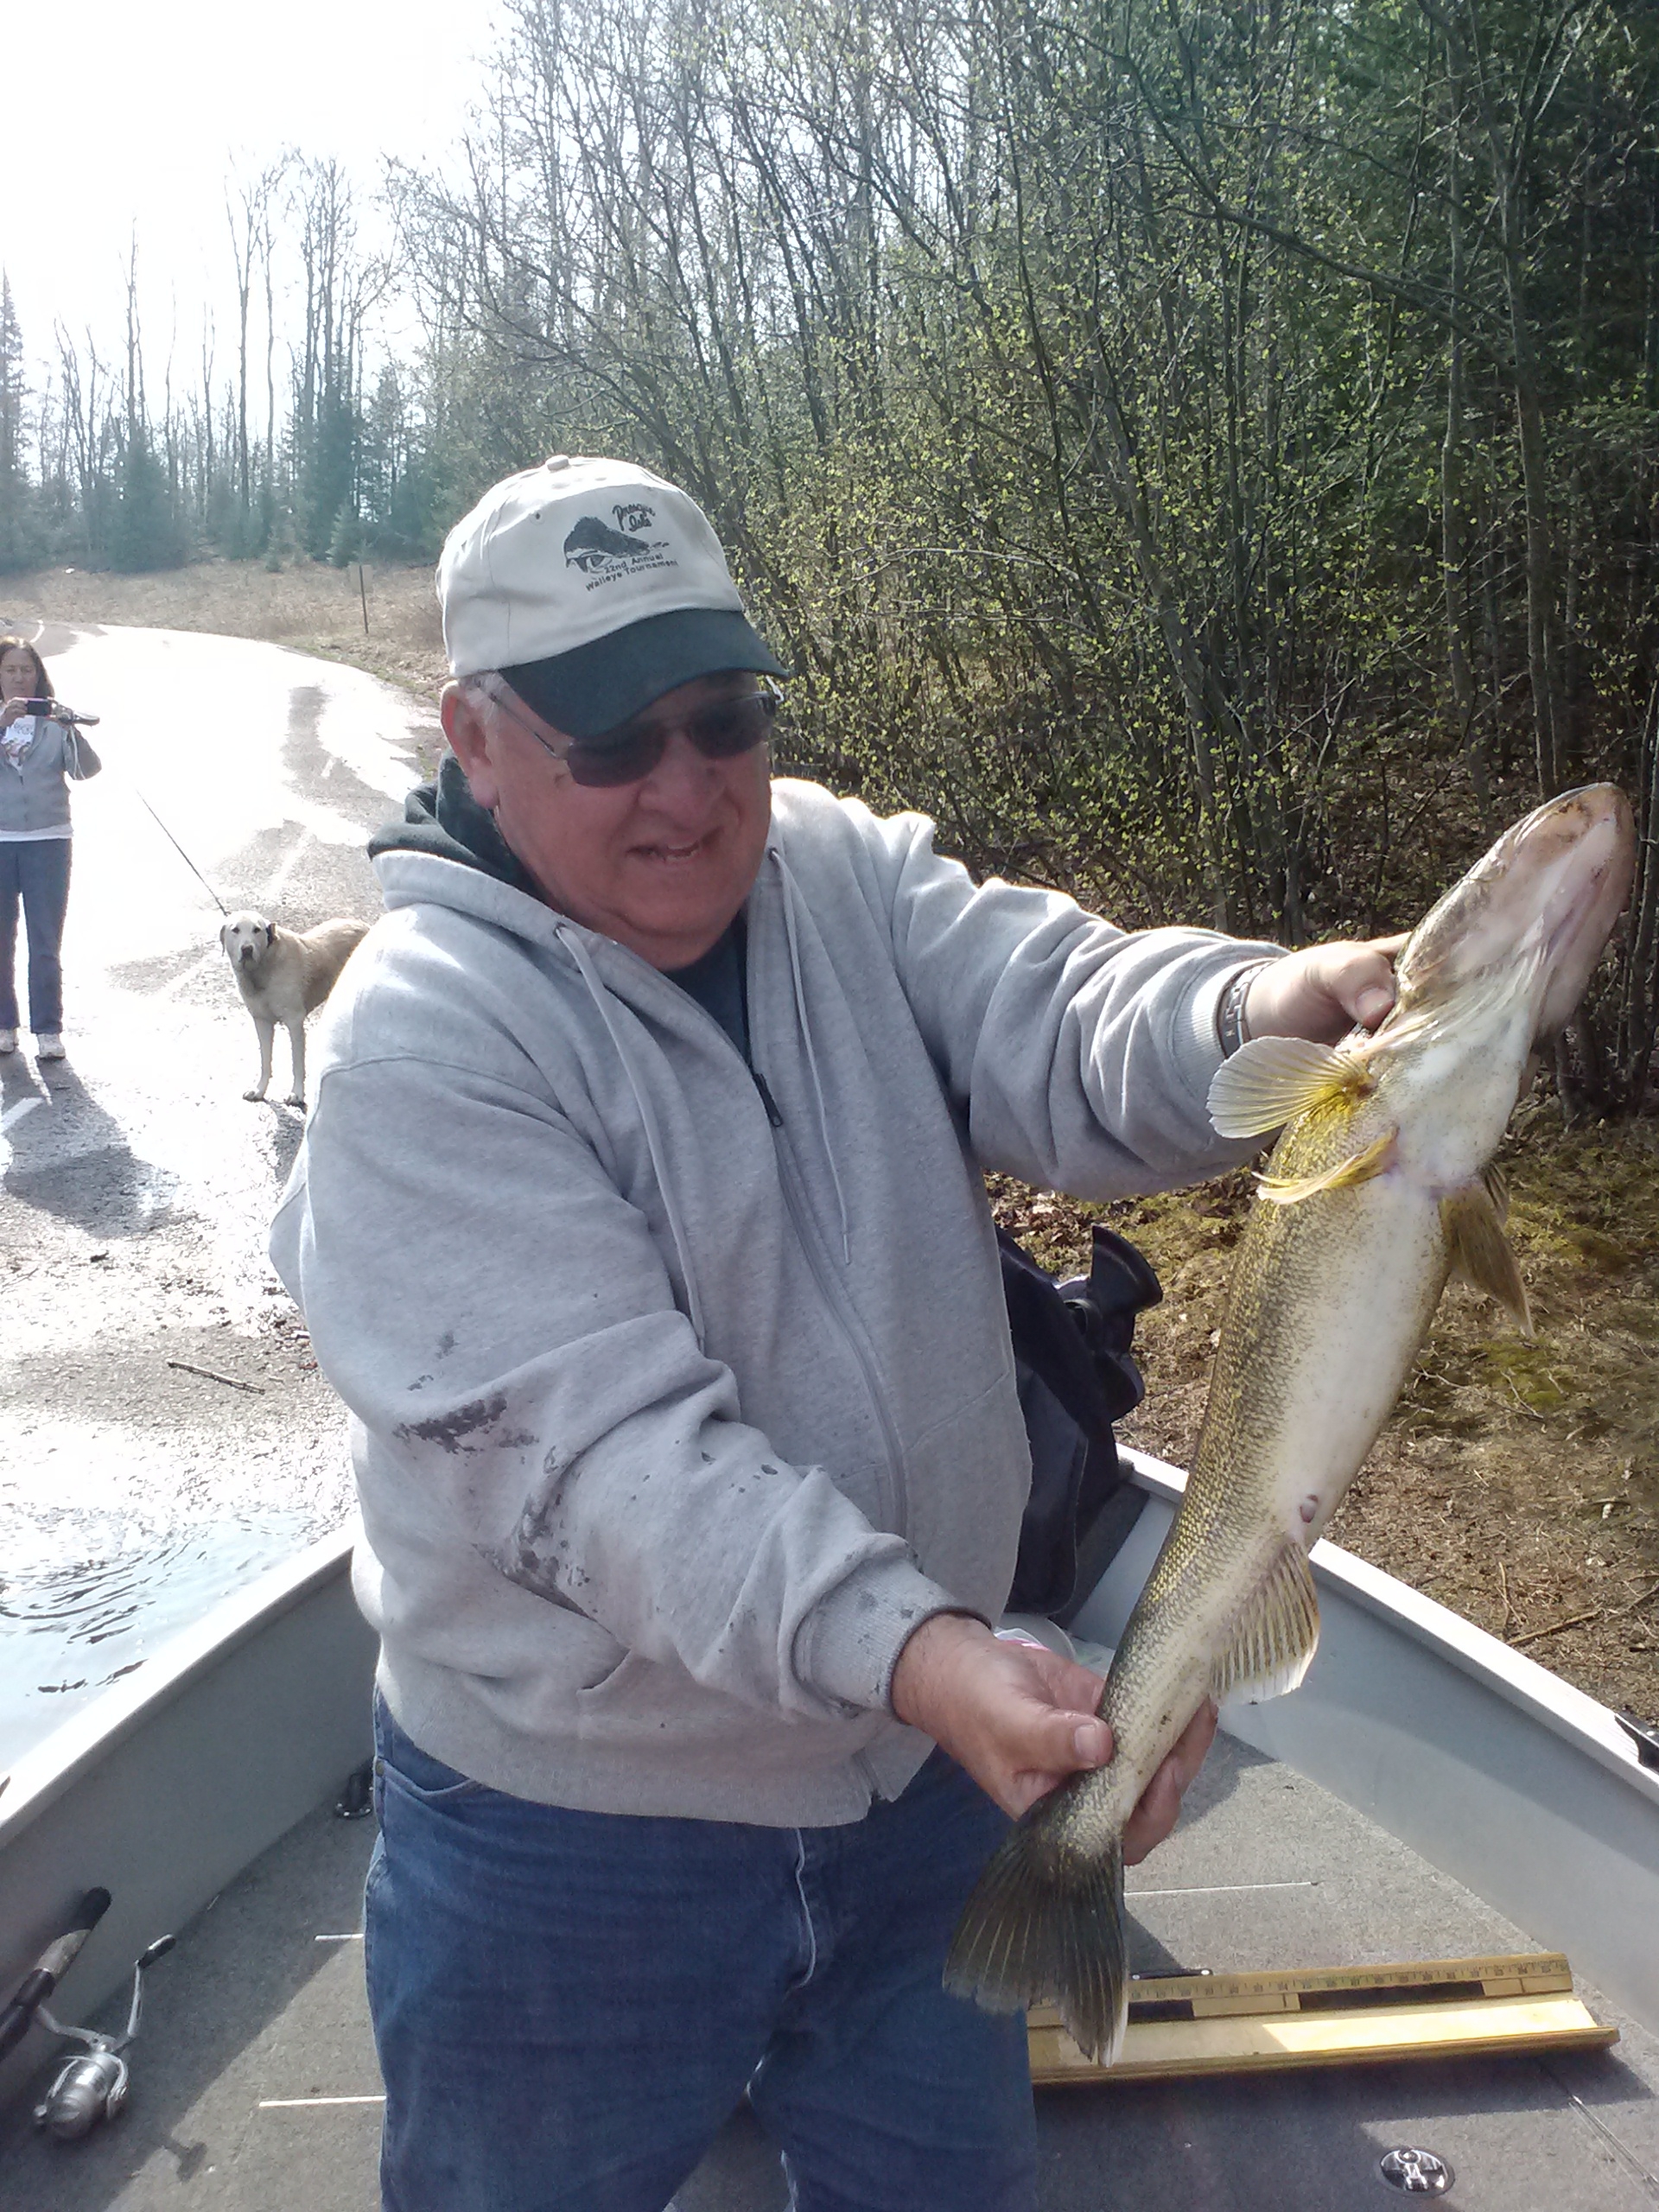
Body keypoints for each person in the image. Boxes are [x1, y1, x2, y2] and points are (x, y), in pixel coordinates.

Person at [270, 455, 1402, 2212]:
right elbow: (614, 1475)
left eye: (722, 717)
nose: (685, 786)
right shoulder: (421, 1044)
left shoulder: (838, 873)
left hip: (917, 1794)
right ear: (474, 738)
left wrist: (1263, 1007)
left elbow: (1060, 1010)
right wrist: (924, 1650)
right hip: (575, 1849)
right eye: (611, 737)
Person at [0, 635, 101, 1062]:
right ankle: (4, 1024)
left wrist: (70, 731)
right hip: (2, 842)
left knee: (45, 942)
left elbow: (87, 771)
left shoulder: (53, 719)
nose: (19, 678)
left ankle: (48, 1029)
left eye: (27, 670)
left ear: (39, 676)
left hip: (49, 841)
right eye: (10, 670)